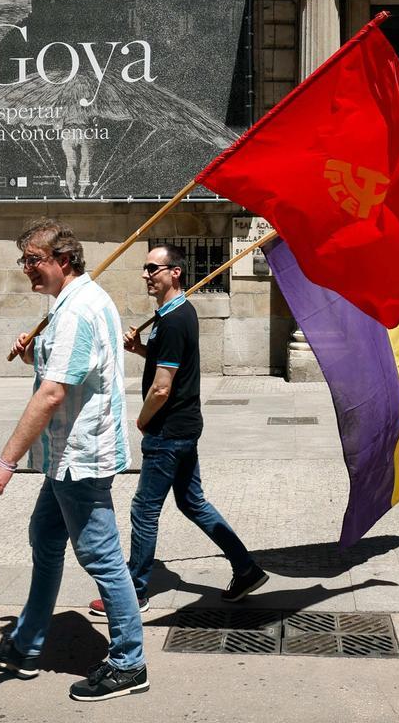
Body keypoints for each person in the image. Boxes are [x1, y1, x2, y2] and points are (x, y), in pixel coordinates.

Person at [0, 218, 148, 702]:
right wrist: (36, 354)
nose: (27, 269)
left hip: (81, 456)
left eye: (34, 260)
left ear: (63, 260)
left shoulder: (78, 309)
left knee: (102, 558)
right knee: (47, 538)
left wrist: (4, 463)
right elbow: (66, 368)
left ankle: (129, 661)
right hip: (64, 457)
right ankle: (28, 644)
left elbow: (53, 394)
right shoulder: (68, 304)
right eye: (24, 260)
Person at [88, 244, 267, 619]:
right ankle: (247, 569)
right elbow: (169, 364)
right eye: (145, 268)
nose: (145, 275)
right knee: (192, 502)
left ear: (175, 273)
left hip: (168, 430)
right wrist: (140, 349)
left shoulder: (172, 320)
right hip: (186, 427)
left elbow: (162, 387)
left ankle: (133, 593)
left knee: (144, 510)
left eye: (153, 268)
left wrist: (142, 419)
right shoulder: (178, 314)